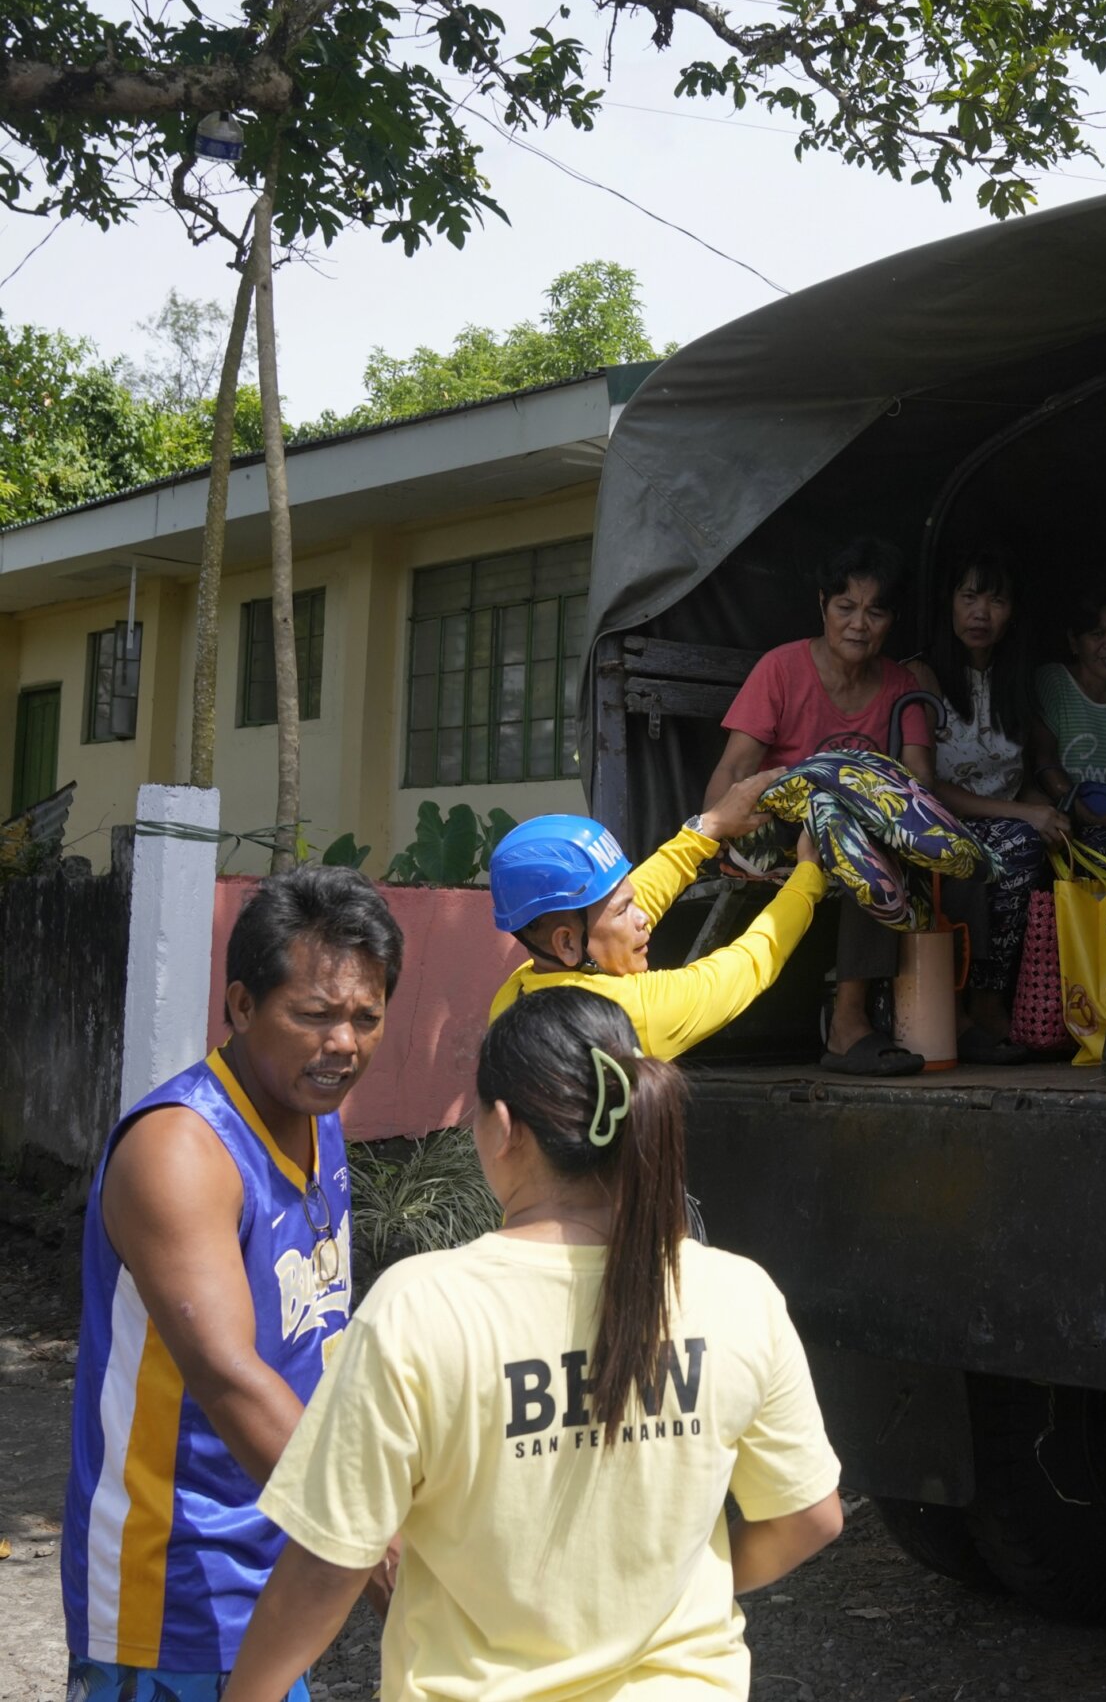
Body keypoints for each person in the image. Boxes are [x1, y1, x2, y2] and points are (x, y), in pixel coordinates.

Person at [224, 988, 843, 1699]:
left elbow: (325, 1566)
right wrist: (668, 1594)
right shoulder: (738, 1294)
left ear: (503, 1127)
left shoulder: (422, 1308)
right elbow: (811, 1516)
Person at [60, 865, 401, 1701]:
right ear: (242, 1006)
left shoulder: (320, 1126)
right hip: (172, 1589)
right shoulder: (180, 1150)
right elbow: (229, 1375)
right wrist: (381, 1546)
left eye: (366, 1017)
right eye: (314, 1015)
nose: (344, 1043)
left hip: (287, 1565)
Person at [703, 538, 939, 1076]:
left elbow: (922, 779)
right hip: (772, 833)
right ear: (822, 607)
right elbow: (736, 767)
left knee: (891, 833)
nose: (859, 624)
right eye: (845, 607)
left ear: (891, 620)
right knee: (857, 837)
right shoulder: (781, 669)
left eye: (875, 611)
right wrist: (708, 833)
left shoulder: (902, 685)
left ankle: (959, 1018)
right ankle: (848, 1025)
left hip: (856, 831)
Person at [485, 768, 825, 1063]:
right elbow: (748, 965)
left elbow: (633, 896)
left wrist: (709, 826)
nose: (642, 917)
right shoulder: (628, 1014)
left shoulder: (516, 994)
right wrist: (809, 873)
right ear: (566, 943)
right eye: (624, 911)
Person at [911, 549, 1069, 1063]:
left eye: (996, 600)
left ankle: (1056, 1005)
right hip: (937, 824)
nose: (981, 612)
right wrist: (1026, 816)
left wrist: (1052, 811)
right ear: (949, 605)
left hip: (1001, 821)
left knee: (1057, 842)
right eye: (969, 596)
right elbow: (926, 784)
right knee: (1021, 843)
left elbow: (1020, 779)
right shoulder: (922, 676)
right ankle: (984, 1001)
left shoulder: (1016, 683)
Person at [1030, 590, 1106, 849]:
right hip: (1071, 814)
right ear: (1074, 642)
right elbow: (1044, 762)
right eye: (1097, 634)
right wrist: (1091, 819)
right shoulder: (1053, 682)